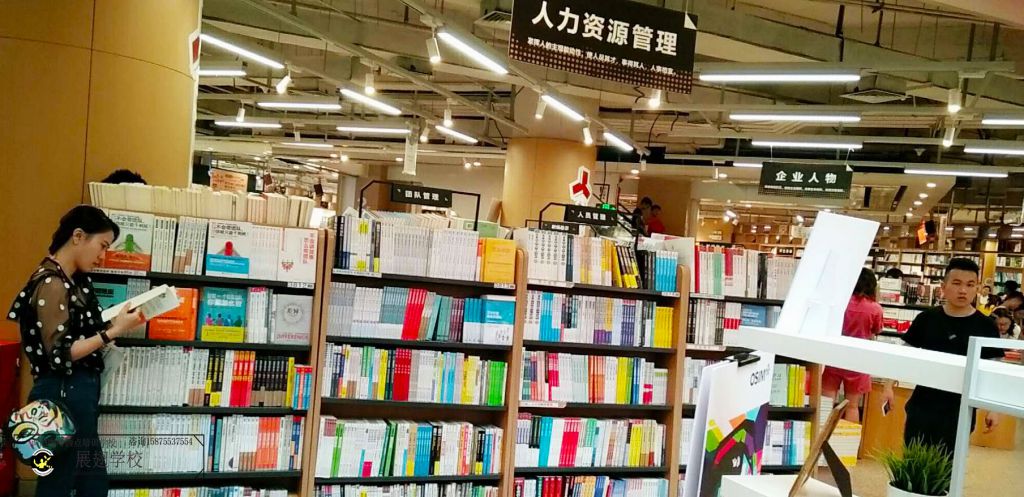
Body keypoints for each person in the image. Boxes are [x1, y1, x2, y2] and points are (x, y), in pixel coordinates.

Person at [6, 205, 144, 497]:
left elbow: (84, 330)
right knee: (62, 481)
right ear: (78, 236)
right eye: (102, 245)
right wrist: (112, 332)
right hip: (62, 395)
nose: (103, 256)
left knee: (88, 482)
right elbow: (61, 353)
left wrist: (117, 322)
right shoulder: (51, 283)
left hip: (77, 393)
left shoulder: (75, 281)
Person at [883, 258, 1001, 453]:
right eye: (957, 283)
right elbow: (904, 354)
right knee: (913, 460)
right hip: (922, 404)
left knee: (949, 464)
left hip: (960, 409)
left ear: (978, 289)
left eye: (970, 285)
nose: (963, 290)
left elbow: (994, 370)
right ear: (944, 287)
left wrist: (994, 409)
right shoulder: (927, 319)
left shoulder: (987, 326)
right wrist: (888, 385)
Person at [822, 268, 884, 423]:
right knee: (852, 406)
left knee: (826, 403)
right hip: (858, 358)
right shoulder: (875, 308)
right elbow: (877, 330)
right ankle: (849, 437)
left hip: (835, 354)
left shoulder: (840, 304)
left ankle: (821, 434)